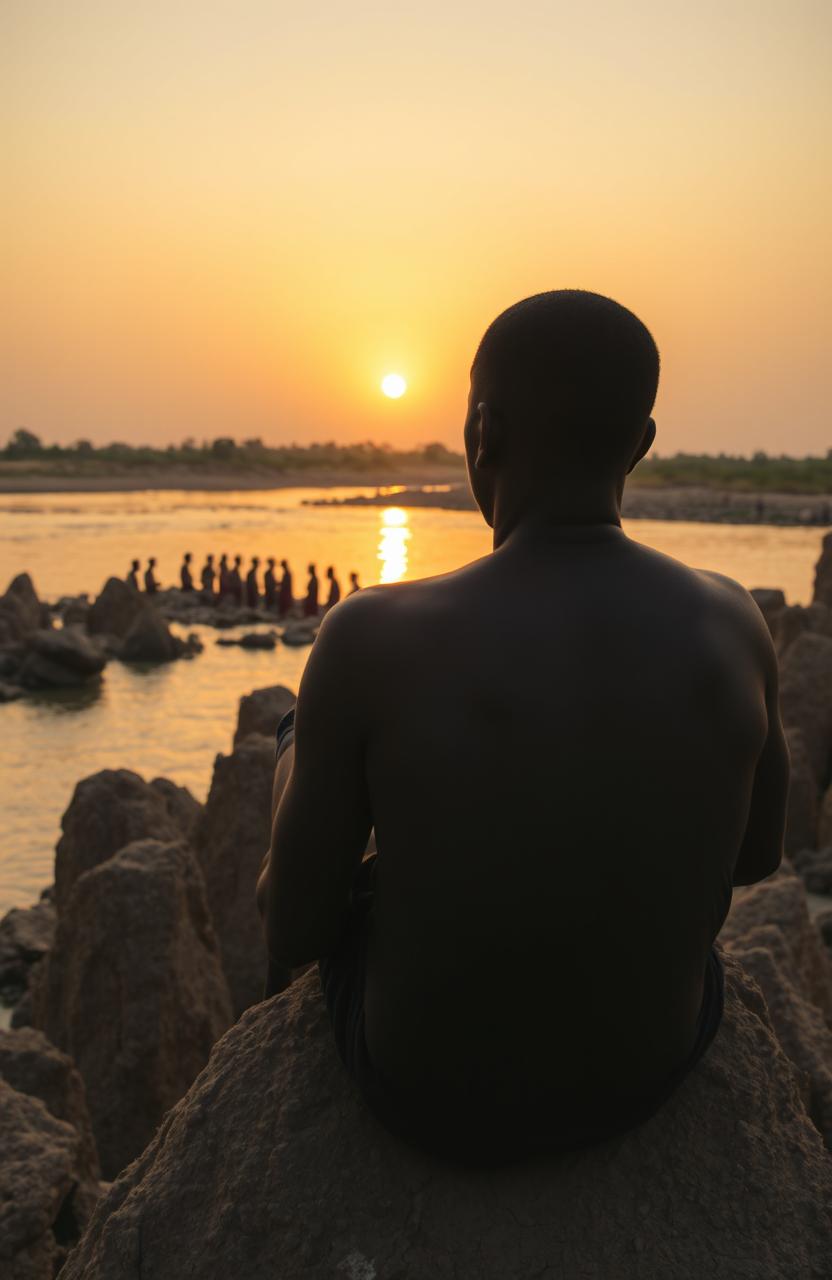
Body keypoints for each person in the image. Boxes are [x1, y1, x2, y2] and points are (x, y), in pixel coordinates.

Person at [257, 290, 788, 1166]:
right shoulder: (735, 620)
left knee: (294, 733)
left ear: (482, 432)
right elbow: (757, 858)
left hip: (424, 1094)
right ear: (642, 446)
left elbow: (294, 934)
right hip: (644, 1076)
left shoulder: (370, 634)